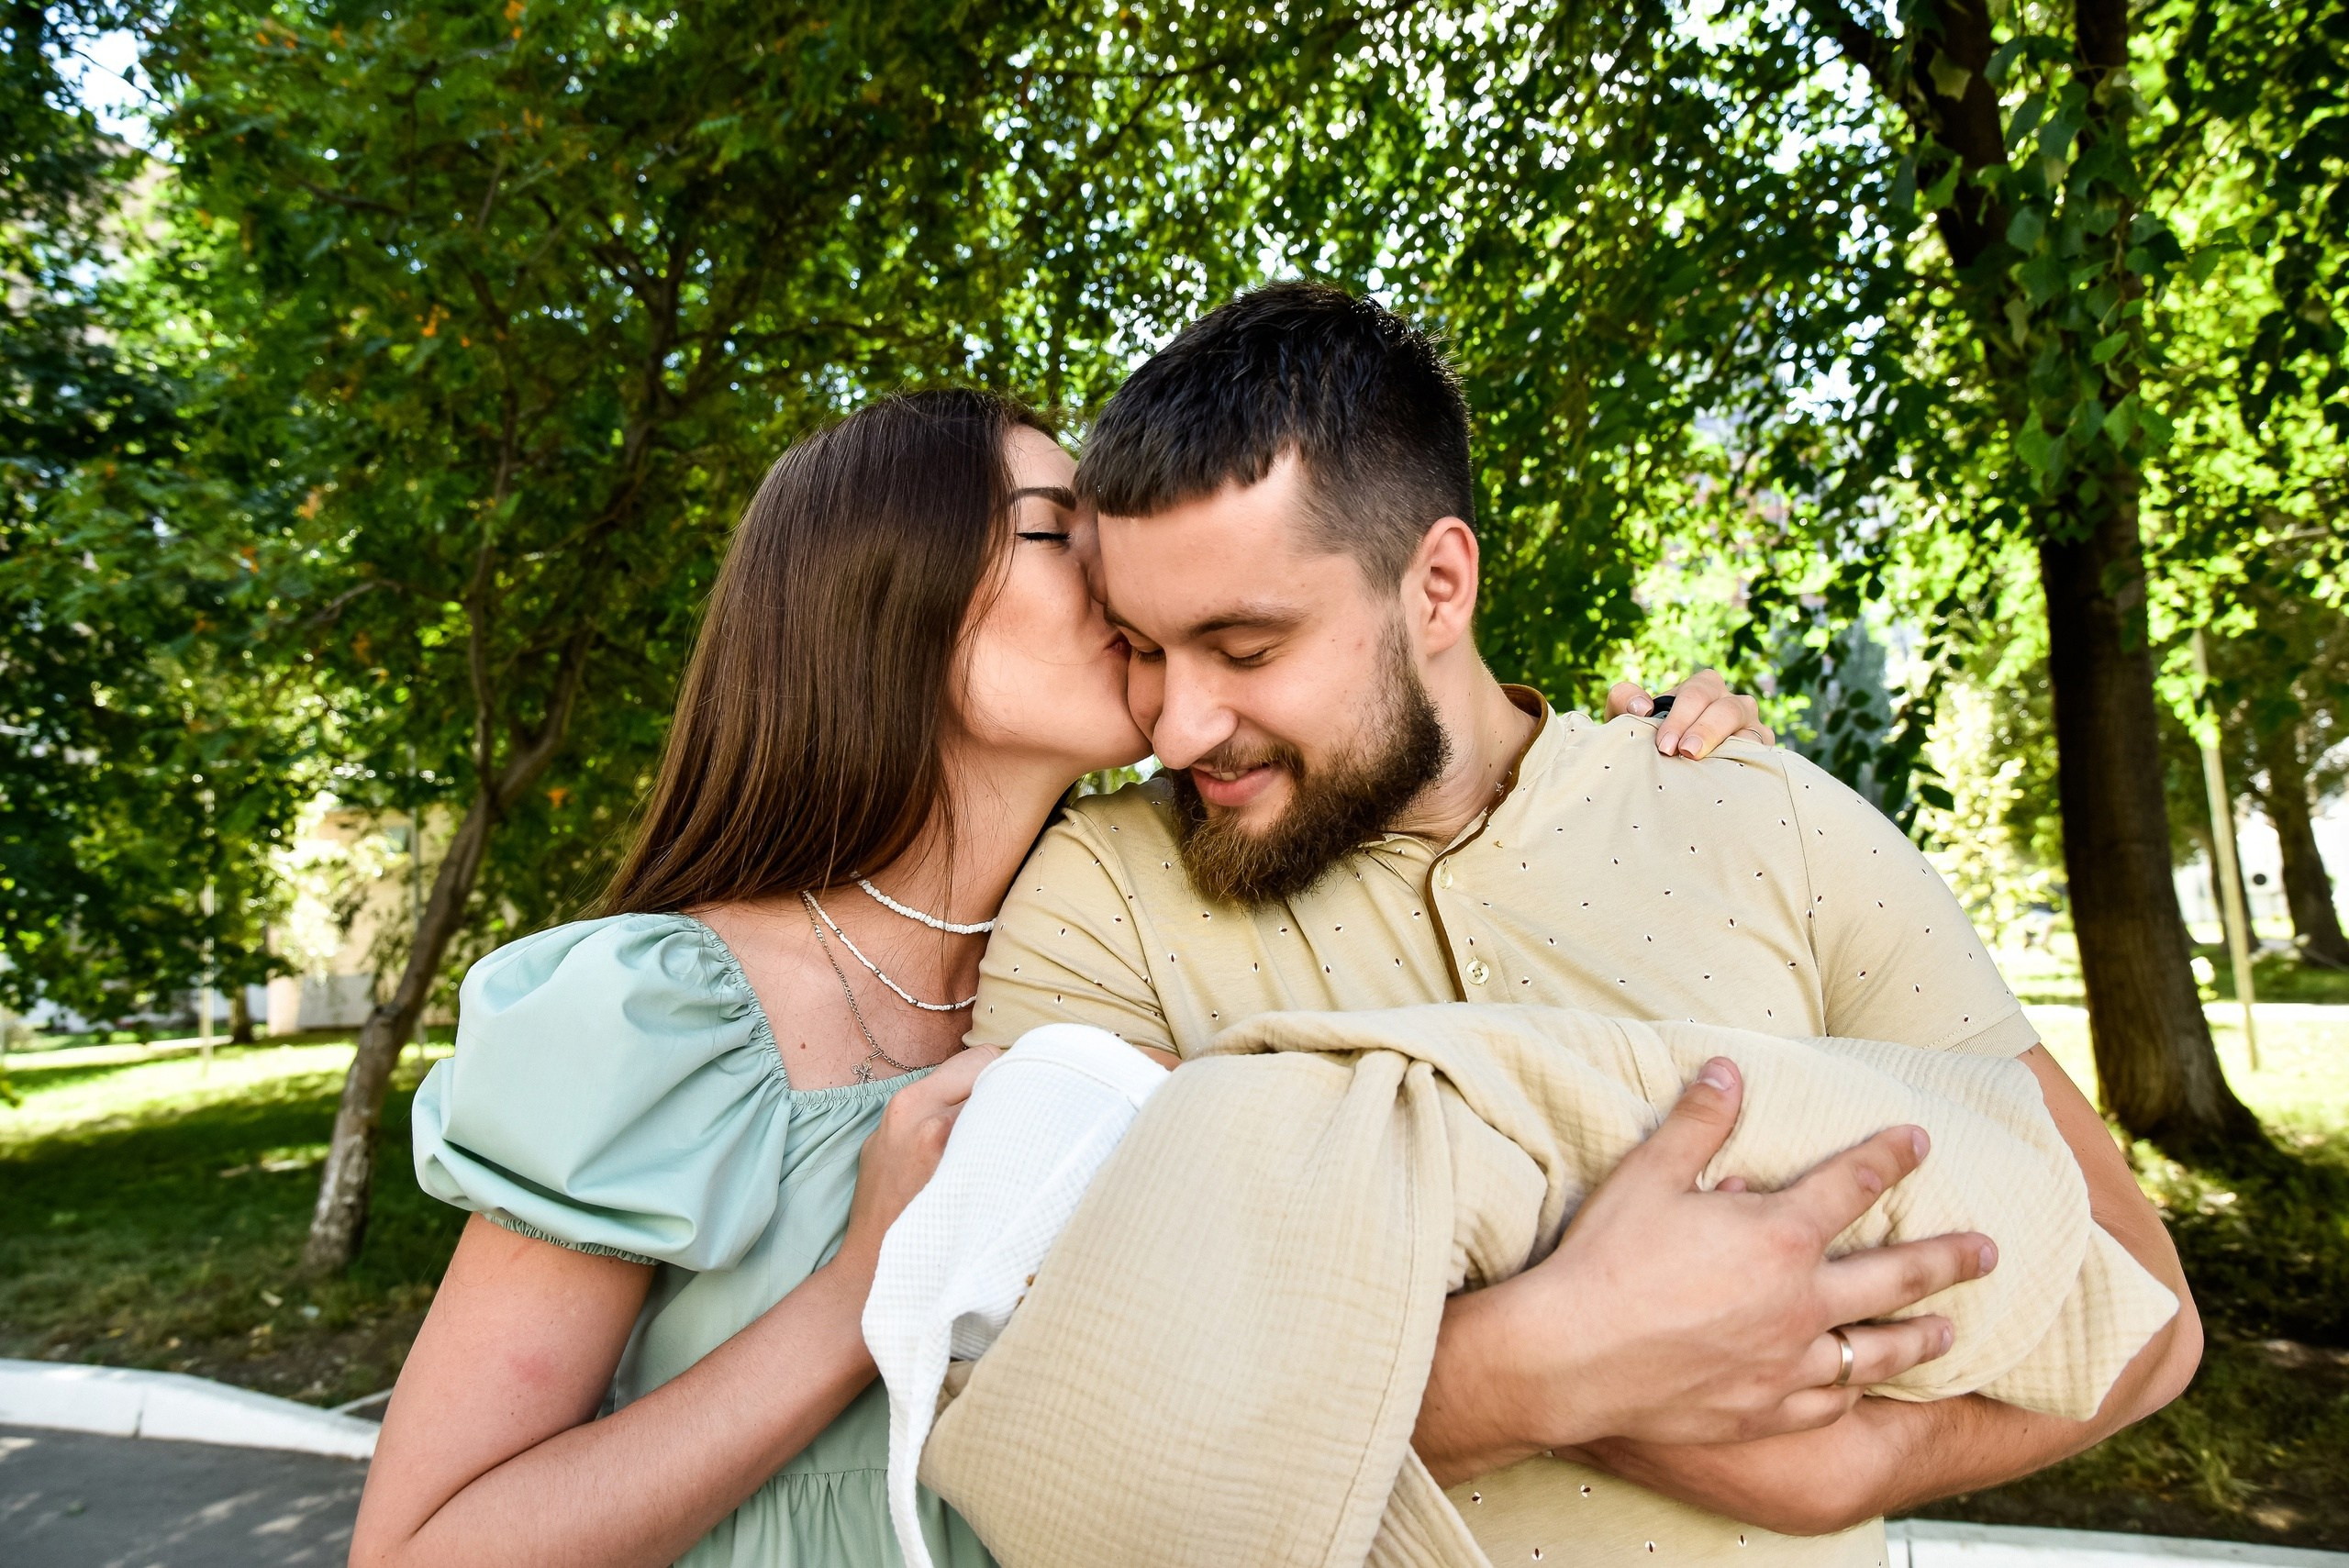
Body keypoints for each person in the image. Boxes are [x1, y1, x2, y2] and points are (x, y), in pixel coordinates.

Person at [346, 386, 1775, 1568]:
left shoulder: (1161, 933)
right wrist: (862, 1293)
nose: (1123, 574)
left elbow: (1426, 773)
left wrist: (1630, 762)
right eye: (1059, 530)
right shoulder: (655, 1012)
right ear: (886, 585)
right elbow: (420, 1551)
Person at [966, 284, 2203, 1566]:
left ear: (1437, 584)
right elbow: (1042, 1429)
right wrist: (1538, 1369)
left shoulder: (1763, 816)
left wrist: (1856, 1469)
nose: (1174, 728)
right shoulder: (1095, 902)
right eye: (1142, 648)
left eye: (1244, 645)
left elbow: (2152, 1307)